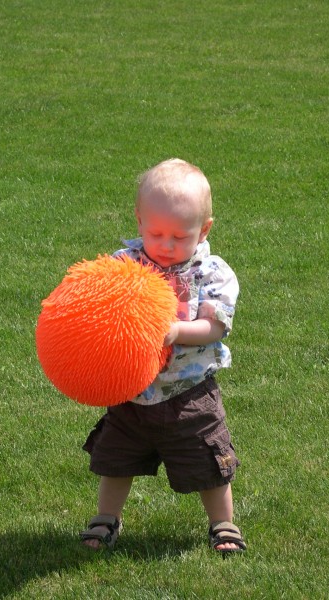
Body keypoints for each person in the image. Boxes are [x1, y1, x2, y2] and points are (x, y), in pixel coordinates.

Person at [80, 158, 246, 555]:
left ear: (203, 229)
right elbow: (98, 307)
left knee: (209, 462)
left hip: (190, 394)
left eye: (179, 235)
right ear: (139, 221)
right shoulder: (125, 266)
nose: (166, 245)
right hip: (132, 392)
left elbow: (216, 328)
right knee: (116, 459)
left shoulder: (212, 273)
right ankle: (107, 517)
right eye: (156, 233)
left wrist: (176, 332)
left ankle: (223, 524)